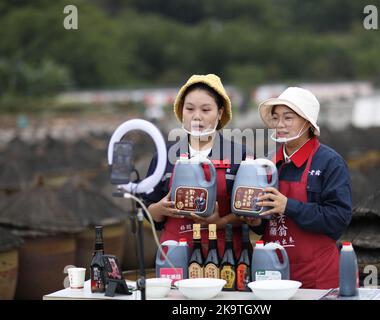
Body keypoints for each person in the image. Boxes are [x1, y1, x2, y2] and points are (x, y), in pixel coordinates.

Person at [247, 87, 352, 289]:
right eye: (276, 118)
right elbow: (265, 226)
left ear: (307, 122)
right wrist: (255, 220)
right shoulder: (268, 164)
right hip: (272, 274)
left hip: (317, 276)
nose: (280, 125)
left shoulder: (330, 162)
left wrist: (288, 206)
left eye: (288, 118)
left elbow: (339, 218)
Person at [142, 74, 247, 257]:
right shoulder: (164, 156)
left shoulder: (240, 155)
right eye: (189, 109)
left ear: (220, 113)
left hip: (226, 254)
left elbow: (251, 214)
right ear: (181, 111)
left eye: (206, 110)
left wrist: (220, 221)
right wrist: (159, 209)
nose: (196, 117)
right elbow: (148, 209)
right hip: (175, 254)